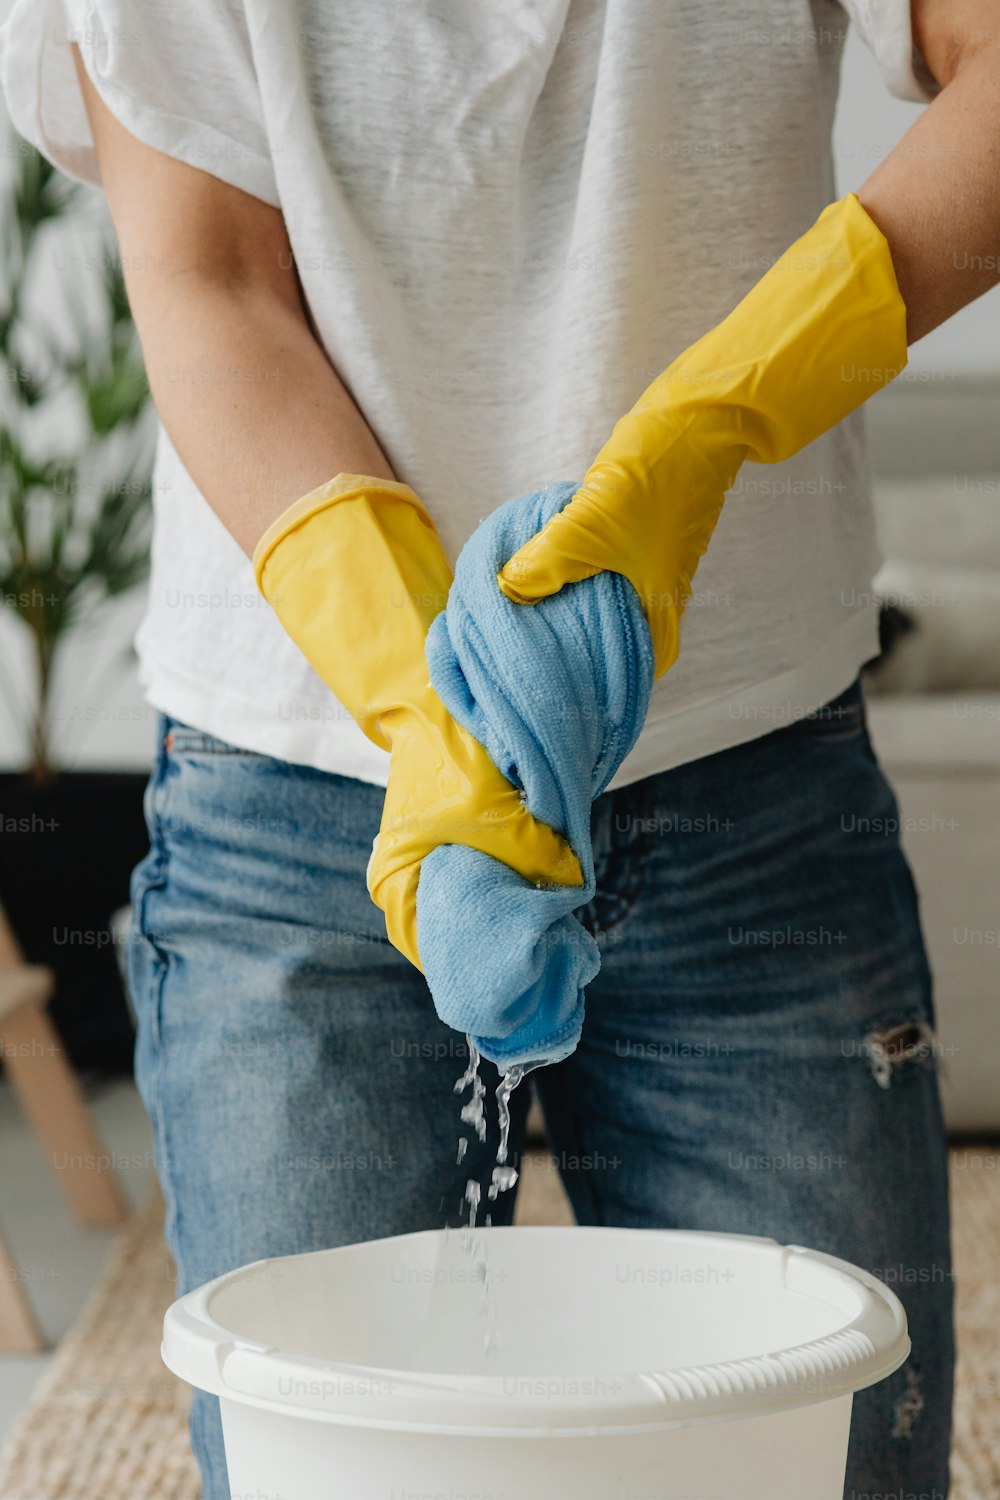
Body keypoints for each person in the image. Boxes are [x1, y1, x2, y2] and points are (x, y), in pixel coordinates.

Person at [4, 0, 997, 1492]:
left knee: (836, 1455)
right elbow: (211, 280)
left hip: (749, 773)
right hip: (304, 807)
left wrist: (715, 422)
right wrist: (429, 710)